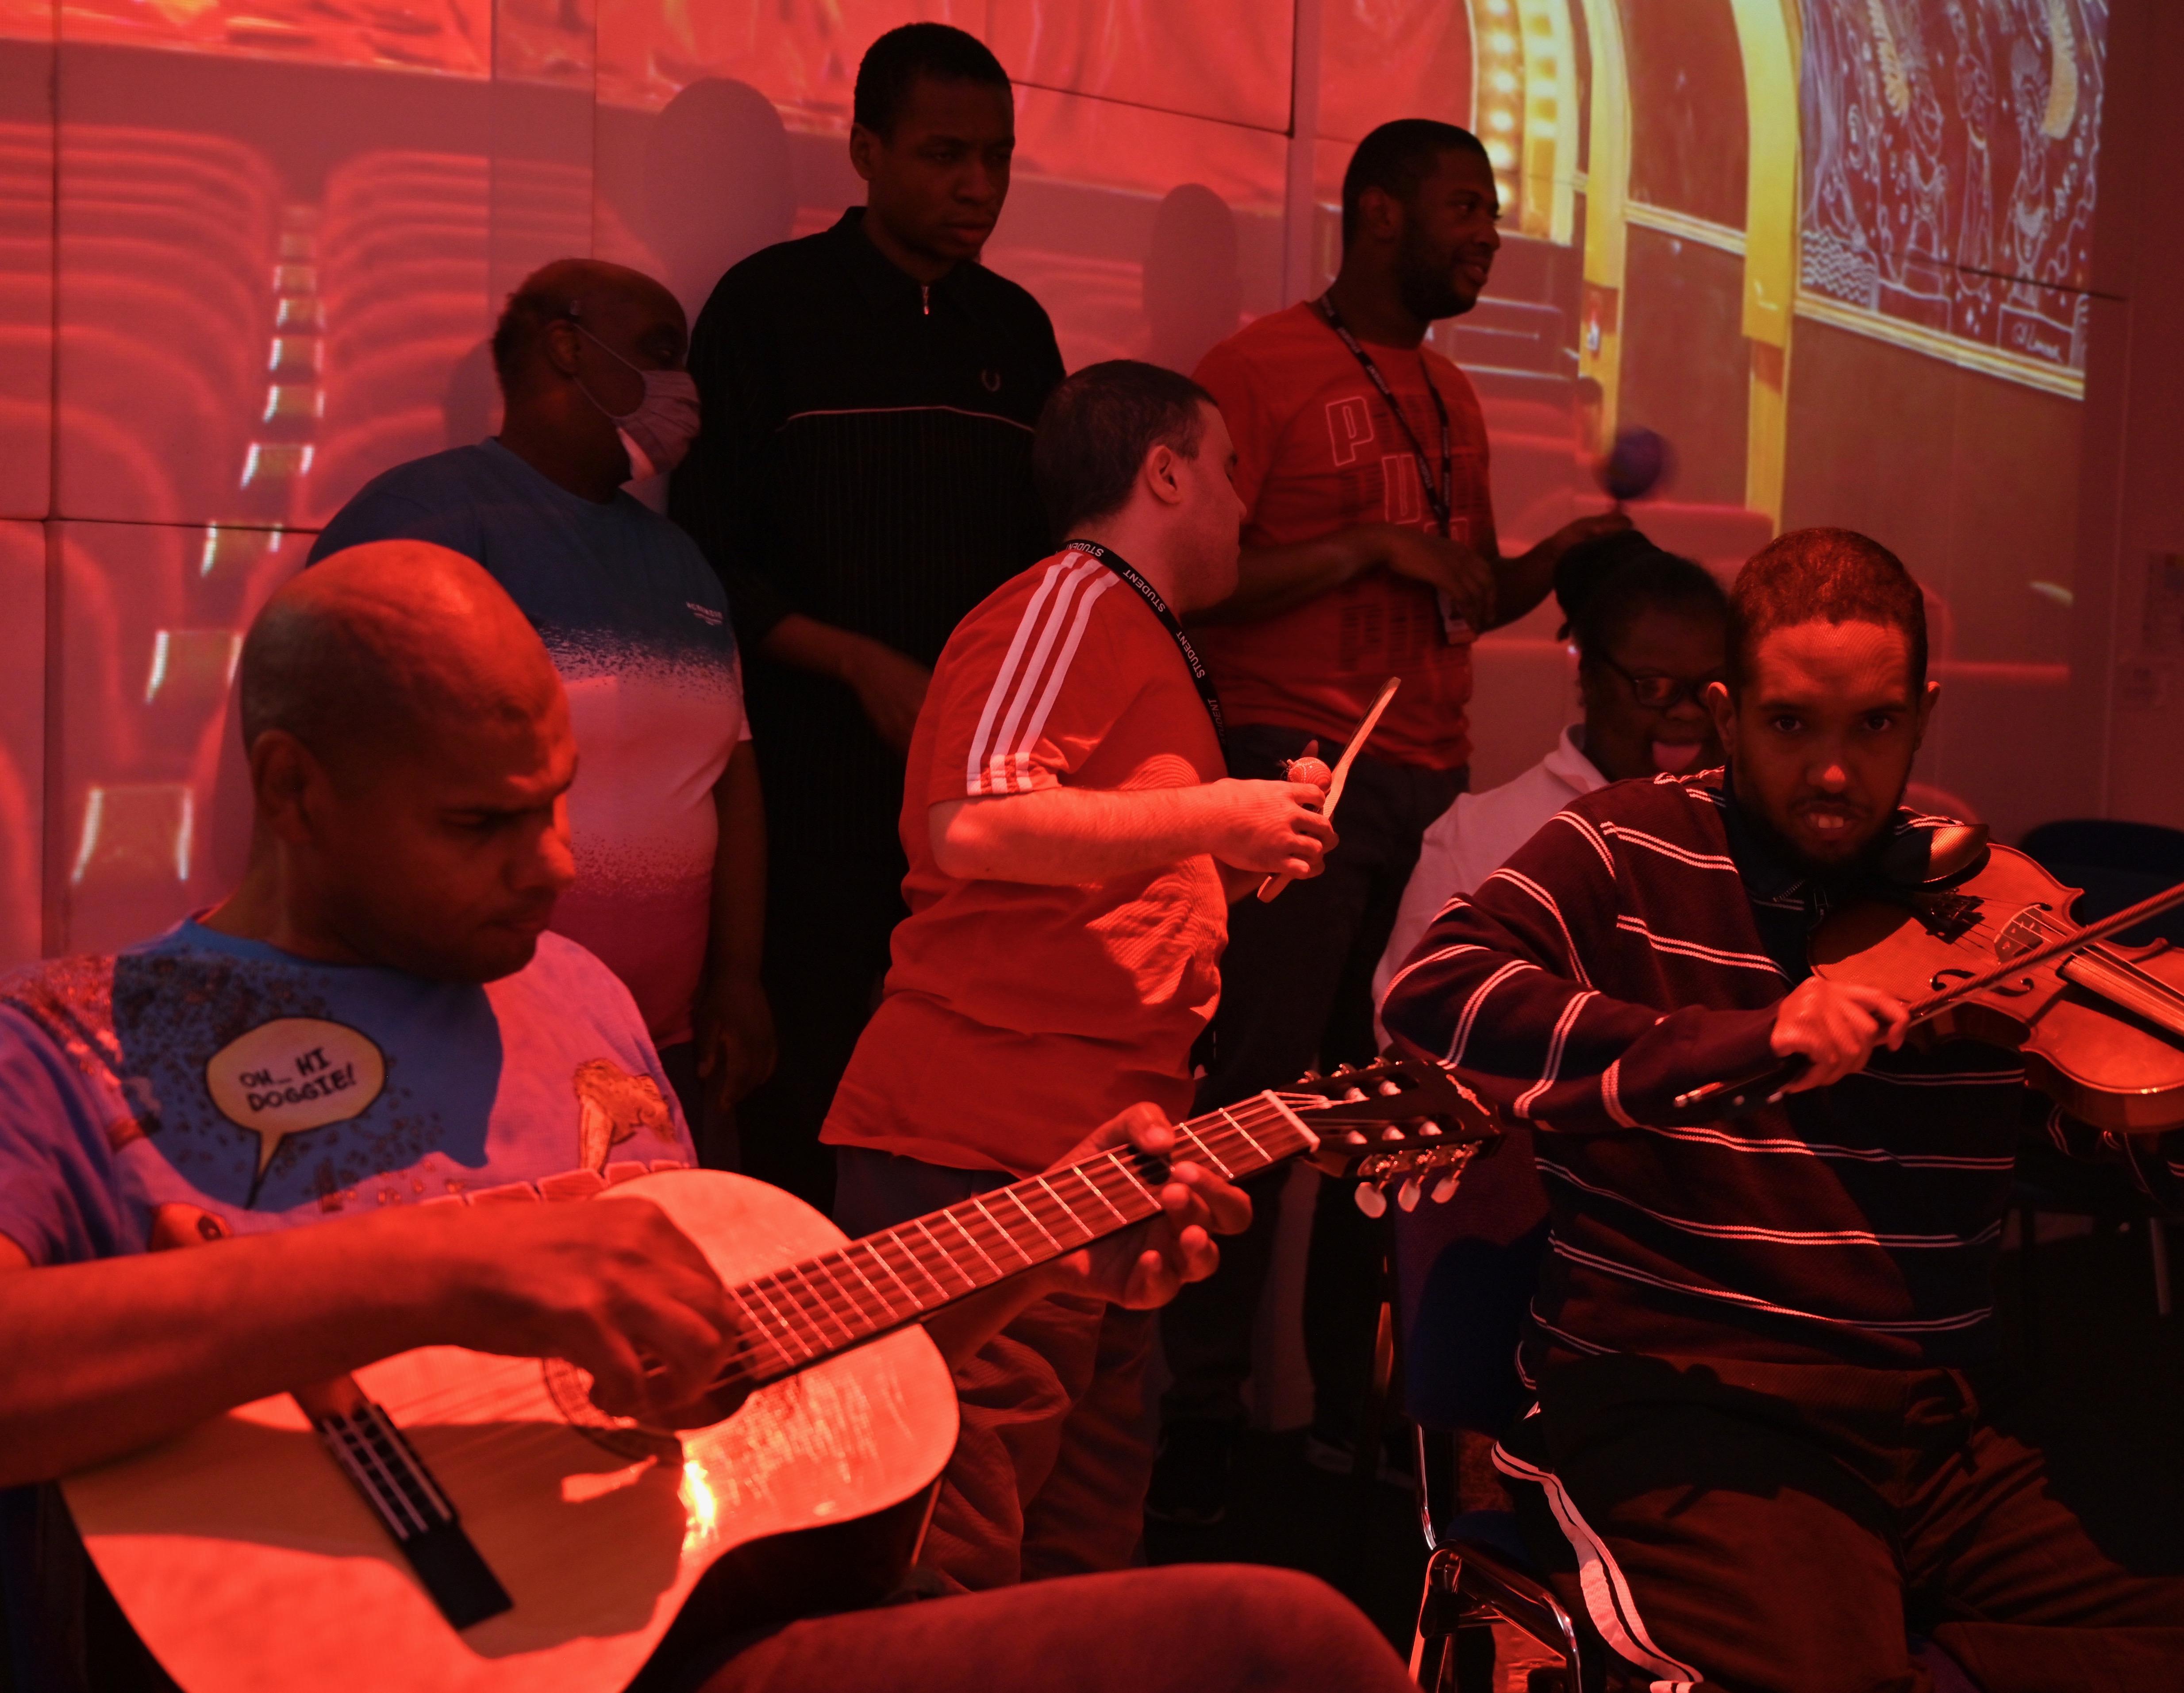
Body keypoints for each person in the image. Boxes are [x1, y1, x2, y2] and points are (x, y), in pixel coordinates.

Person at [0, 542, 1415, 1693]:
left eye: (558, 804)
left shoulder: (580, 997)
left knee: (1276, 1648)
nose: (553, 863)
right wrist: (450, 1269)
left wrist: (1046, 1242)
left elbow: (744, 1413)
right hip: (331, 1653)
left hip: (673, 1640)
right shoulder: (76, 1041)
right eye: (482, 826)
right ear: (297, 789)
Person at [1379, 527, 2184, 1691]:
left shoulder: (1977, 896)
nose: (1833, 774)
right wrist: (1745, 1039)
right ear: (1727, 718)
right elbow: (1435, 992)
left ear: (1919, 715)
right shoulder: (1623, 843)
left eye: (1872, 727)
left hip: (1937, 1413)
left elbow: (2063, 1147)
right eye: (1791, 726)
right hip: (1688, 1398)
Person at [1148, 116, 1623, 1522]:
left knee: (1401, 1125)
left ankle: (1371, 1421)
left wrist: (1551, 564)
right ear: (1374, 216)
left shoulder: (1453, 394)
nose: (1487, 234)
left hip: (1425, 787)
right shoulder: (1256, 368)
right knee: (1252, 1102)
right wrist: (1364, 544)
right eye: (1464, 209)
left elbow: (1462, 596)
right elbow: (1194, 577)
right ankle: (1200, 1420)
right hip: (1298, 780)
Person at [818, 360, 1337, 1593]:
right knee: (947, 1551)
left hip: (1104, 1165)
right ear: (1160, 471)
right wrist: (1221, 811)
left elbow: (1083, 854)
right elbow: (972, 823)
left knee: (1075, 1562)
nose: (1239, 506)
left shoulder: (1129, 629)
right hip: (980, 1148)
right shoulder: (1075, 594)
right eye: (1222, 471)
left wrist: (1232, 841)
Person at [671, 23, 1066, 1208]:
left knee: (958, 1137)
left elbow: (1049, 574)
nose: (977, 188)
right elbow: (703, 561)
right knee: (805, 1130)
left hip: (973, 819)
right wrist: (854, 664)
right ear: (864, 150)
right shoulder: (767, 309)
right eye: (946, 155)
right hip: (805, 802)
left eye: (996, 158)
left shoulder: (1017, 331)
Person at [308, 258, 770, 1167]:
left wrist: (738, 976)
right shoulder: (429, 516)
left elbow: (731, 779)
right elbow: (339, 768)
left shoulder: (679, 558)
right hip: (472, 1030)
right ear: (567, 347)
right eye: (657, 354)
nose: (684, 387)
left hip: (661, 1046)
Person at [1371, 527, 1727, 1015]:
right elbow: (1412, 1016)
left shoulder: (1752, 827)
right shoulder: (1481, 833)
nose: (1687, 713)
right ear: (1591, 679)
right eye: (1654, 686)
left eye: (1709, 686)